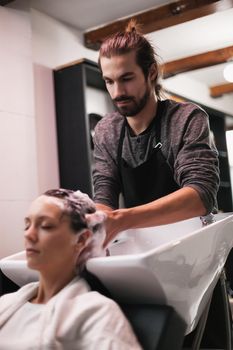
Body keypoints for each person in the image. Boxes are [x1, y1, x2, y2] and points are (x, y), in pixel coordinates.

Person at [93, 19, 219, 245]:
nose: (117, 92)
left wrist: (122, 219)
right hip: (148, 247)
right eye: (109, 81)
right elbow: (104, 196)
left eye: (127, 79)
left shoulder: (186, 118)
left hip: (199, 248)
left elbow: (201, 195)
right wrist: (98, 221)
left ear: (151, 73)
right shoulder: (106, 130)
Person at [0, 189, 142, 350]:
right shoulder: (6, 303)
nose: (29, 235)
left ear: (81, 240)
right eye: (27, 225)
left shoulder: (94, 312)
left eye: (46, 226)